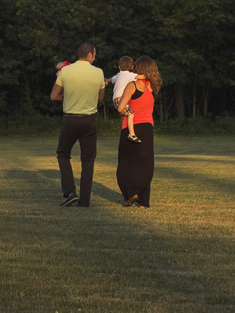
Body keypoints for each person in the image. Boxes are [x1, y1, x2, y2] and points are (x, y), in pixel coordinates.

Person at [50, 42, 104, 207]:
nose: (94, 57)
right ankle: (85, 201)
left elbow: (54, 96)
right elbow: (100, 98)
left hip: (70, 119)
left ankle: (70, 192)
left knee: (63, 154)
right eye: (94, 55)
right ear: (89, 55)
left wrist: (68, 98)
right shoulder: (98, 72)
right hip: (89, 120)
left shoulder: (65, 71)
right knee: (88, 160)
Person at [115, 55, 161, 208]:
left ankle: (131, 192)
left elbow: (121, 108)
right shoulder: (153, 87)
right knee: (145, 164)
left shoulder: (133, 85)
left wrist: (119, 107)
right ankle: (144, 201)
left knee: (125, 165)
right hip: (147, 128)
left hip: (131, 127)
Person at [108, 56, 141, 142]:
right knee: (131, 114)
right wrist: (148, 75)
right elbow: (141, 77)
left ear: (119, 67)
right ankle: (132, 134)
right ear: (132, 67)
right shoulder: (130, 75)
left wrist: (106, 81)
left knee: (127, 115)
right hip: (120, 100)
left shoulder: (118, 75)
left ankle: (129, 132)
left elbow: (111, 79)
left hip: (115, 100)